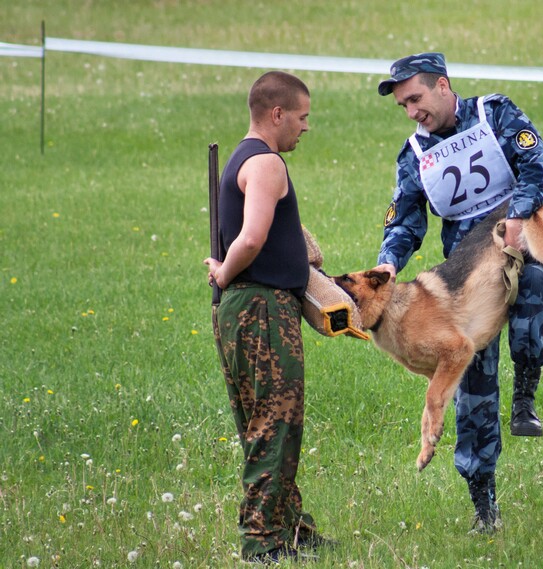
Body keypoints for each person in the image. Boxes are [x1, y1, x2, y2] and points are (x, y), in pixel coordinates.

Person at [373, 53, 543, 533]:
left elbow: (538, 163)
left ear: (442, 85)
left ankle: (525, 400)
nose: (412, 111)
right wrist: (388, 262)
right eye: (404, 105)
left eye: (415, 98)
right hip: (463, 283)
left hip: (519, 251)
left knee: (533, 290)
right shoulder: (414, 154)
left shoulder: (494, 114)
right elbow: (406, 217)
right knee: (472, 395)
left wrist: (517, 215)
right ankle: (484, 509)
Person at [204, 70, 329, 564]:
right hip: (264, 308)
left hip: (243, 308)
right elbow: (251, 238)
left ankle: (290, 529)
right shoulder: (268, 163)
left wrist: (224, 272)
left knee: (263, 422)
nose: (305, 126)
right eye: (302, 117)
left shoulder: (239, 156)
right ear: (277, 114)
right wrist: (224, 273)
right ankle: (261, 542)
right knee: (275, 426)